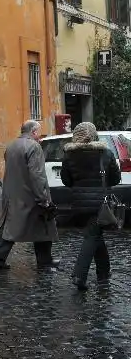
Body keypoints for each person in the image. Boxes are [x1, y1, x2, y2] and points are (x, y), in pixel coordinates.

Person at [0, 120, 58, 270]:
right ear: (33, 132)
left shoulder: (11, 145)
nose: (39, 136)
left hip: (13, 194)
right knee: (43, 224)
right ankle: (45, 260)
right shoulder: (34, 146)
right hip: (30, 195)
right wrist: (44, 198)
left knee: (11, 226)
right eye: (38, 133)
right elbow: (37, 175)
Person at [60, 122, 121, 290]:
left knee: (95, 234)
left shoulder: (69, 155)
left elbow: (66, 180)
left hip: (78, 202)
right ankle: (79, 275)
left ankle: (104, 271)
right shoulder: (106, 153)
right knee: (92, 236)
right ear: (94, 135)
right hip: (100, 203)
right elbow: (115, 179)